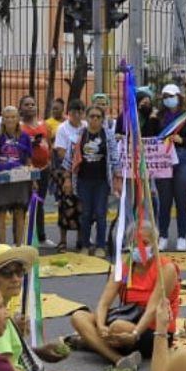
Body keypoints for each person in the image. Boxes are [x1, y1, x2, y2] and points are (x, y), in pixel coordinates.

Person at [69, 222, 180, 369]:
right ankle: (118, 359)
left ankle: (92, 342)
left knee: (117, 327)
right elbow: (104, 303)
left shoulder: (166, 268)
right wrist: (101, 326)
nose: (140, 247)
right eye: (135, 243)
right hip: (127, 317)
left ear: (156, 243)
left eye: (145, 243)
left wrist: (135, 334)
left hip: (154, 328)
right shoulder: (123, 266)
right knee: (78, 316)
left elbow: (152, 309)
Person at [156, 83, 186, 252]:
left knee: (182, 200)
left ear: (178, 97)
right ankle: (163, 237)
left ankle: (182, 237)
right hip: (163, 160)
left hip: (183, 159)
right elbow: (152, 136)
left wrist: (183, 141)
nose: (169, 99)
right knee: (165, 202)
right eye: (165, 97)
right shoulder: (159, 116)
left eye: (171, 96)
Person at [68, 104, 120, 257]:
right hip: (84, 180)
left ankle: (100, 246)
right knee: (85, 214)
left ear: (103, 119)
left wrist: (118, 177)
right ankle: (85, 245)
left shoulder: (108, 135)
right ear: (87, 117)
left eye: (98, 116)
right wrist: (67, 179)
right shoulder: (80, 135)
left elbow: (114, 156)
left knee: (100, 212)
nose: (95, 119)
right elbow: (70, 157)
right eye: (92, 116)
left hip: (102, 181)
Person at [0, 105, 34, 246]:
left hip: (19, 179)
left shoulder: (25, 137)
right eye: (7, 117)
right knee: (1, 213)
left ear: (18, 118)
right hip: (3, 179)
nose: (10, 120)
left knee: (20, 212)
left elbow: (28, 160)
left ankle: (18, 245)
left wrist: (31, 170)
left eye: (13, 117)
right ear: (3, 119)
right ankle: (2, 246)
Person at [19, 95, 56, 248]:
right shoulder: (19, 126)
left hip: (43, 169)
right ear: (20, 108)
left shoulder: (43, 125)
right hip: (25, 169)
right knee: (23, 203)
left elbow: (49, 144)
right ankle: (20, 238)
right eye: (26, 104)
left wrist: (50, 161)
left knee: (39, 203)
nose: (30, 107)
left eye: (32, 104)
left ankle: (41, 237)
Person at [52, 99, 86, 251]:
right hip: (65, 170)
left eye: (79, 112)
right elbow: (60, 151)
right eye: (73, 112)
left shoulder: (86, 126)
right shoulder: (62, 129)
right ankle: (63, 240)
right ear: (69, 113)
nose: (76, 115)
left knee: (82, 206)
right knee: (65, 205)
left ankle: (81, 238)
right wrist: (74, 163)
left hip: (84, 171)